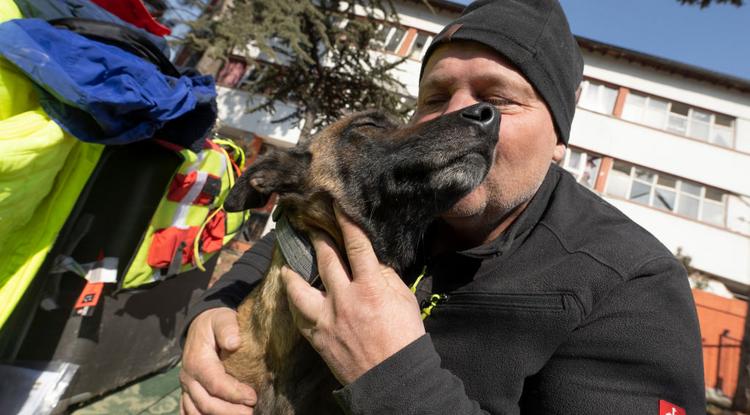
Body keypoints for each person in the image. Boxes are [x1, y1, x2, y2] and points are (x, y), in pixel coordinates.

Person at [179, 0, 706, 413]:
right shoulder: (398, 202)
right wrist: (212, 316)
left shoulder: (634, 285)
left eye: (495, 101)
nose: (456, 117)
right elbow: (294, 238)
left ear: (559, 140)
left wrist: (392, 375)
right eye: (434, 99)